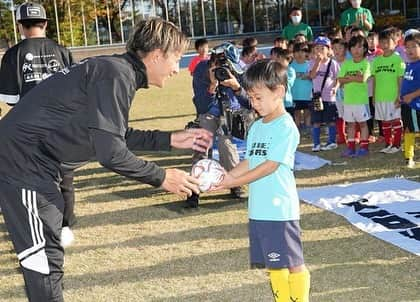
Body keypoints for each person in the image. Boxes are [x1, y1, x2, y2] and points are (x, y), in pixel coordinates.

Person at [0, 18, 213, 302]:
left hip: (36, 166)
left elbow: (110, 134)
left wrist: (169, 139)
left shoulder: (116, 71)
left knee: (47, 257)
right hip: (22, 163)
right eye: (176, 59)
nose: (177, 68)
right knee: (43, 262)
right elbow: (111, 153)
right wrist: (163, 177)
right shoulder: (116, 75)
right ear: (157, 54)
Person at [214, 59, 310, 302]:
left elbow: (269, 166)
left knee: (294, 263)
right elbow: (253, 160)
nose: (253, 104)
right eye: (251, 98)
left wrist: (233, 183)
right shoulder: (257, 126)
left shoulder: (286, 126)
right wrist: (228, 175)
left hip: (280, 209)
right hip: (259, 208)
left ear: (278, 91)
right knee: (274, 264)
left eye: (258, 98)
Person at [0, 2, 77, 247]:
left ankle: (34, 226)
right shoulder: (62, 50)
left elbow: (10, 98)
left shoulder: (13, 54)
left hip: (27, 128)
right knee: (64, 177)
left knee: (29, 178)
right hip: (62, 126)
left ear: (21, 27)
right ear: (45, 23)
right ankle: (64, 226)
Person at [186, 42, 251, 208]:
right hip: (208, 111)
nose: (226, 69)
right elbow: (201, 104)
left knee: (226, 144)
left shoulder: (240, 70)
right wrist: (212, 85)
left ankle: (236, 184)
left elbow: (249, 102)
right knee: (202, 144)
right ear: (213, 61)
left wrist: (237, 88)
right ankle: (194, 189)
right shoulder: (201, 69)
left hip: (230, 111)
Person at [372, 29, 405, 154]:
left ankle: (396, 144)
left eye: (387, 42)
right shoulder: (377, 61)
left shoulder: (398, 60)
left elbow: (400, 79)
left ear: (395, 43)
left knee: (395, 120)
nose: (384, 45)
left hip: (393, 97)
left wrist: (399, 95)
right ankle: (388, 143)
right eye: (382, 42)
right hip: (380, 97)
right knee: (384, 121)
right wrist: (374, 96)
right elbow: (374, 80)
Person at [338, 35, 371, 157]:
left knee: (363, 124)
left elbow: (362, 79)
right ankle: (350, 147)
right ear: (349, 49)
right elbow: (340, 80)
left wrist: (349, 78)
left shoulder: (366, 64)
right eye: (353, 47)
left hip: (361, 100)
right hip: (348, 100)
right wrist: (354, 78)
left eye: (359, 47)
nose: (356, 50)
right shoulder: (346, 64)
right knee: (350, 124)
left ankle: (364, 147)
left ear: (364, 49)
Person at [308, 36, 340, 152]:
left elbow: (338, 78)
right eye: (317, 48)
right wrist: (317, 62)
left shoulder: (333, 63)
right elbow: (311, 76)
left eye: (322, 48)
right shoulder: (312, 62)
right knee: (316, 121)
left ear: (328, 49)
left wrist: (336, 88)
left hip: (329, 97)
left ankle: (332, 141)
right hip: (316, 97)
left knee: (330, 120)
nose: (320, 50)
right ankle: (316, 143)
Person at [400, 32, 420, 168]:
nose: (410, 50)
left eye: (413, 46)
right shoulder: (408, 65)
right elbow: (406, 84)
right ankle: (409, 157)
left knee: (413, 130)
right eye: (407, 47)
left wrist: (412, 96)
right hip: (406, 105)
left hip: (415, 106)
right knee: (407, 130)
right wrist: (400, 98)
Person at [290, 42, 312, 132]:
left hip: (307, 94)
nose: (299, 54)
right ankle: (297, 129)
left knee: (308, 112)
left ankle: (307, 127)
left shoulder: (310, 64)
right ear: (293, 53)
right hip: (295, 94)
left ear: (306, 53)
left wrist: (309, 76)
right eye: (297, 52)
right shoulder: (291, 65)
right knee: (296, 113)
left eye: (302, 52)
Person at [270, 47, 296, 117]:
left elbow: (287, 83)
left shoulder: (291, 71)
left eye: (281, 59)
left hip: (287, 102)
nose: (278, 61)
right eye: (278, 58)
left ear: (288, 60)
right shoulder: (274, 70)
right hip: (277, 102)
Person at [332, 38, 348, 144]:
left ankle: (356, 135)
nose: (337, 50)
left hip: (348, 93)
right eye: (335, 48)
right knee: (339, 116)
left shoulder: (349, 63)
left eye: (340, 48)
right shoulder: (331, 63)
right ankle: (341, 136)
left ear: (345, 50)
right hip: (335, 95)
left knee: (351, 115)